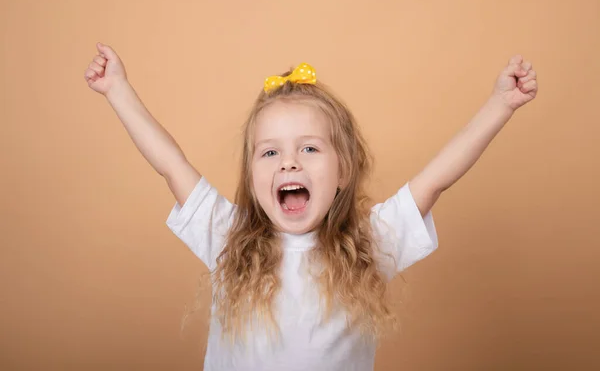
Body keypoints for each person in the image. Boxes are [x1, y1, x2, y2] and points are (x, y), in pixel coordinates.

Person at [84, 43, 538, 371]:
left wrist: (501, 103)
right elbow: (170, 163)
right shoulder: (227, 236)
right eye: (270, 153)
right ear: (253, 176)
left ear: (344, 172)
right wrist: (117, 89)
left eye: (309, 149)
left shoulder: (369, 245)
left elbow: (437, 179)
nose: (289, 163)